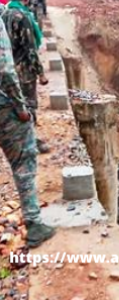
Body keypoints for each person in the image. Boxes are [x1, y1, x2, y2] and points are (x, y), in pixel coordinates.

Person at [0, 16, 54, 247]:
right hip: (4, 107)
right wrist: (20, 107)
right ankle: (34, 224)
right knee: (24, 160)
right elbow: (4, 69)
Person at [2, 0, 49, 153]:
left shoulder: (6, 13)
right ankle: (30, 143)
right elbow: (30, 49)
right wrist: (40, 72)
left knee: (15, 106)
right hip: (24, 71)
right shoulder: (22, 17)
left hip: (9, 68)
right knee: (29, 106)